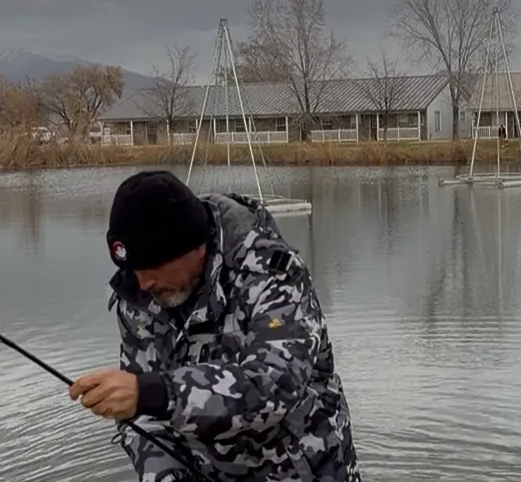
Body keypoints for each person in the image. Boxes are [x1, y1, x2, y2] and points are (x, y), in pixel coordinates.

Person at [68, 170, 359, 481]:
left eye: (152, 265)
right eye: (134, 268)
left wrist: (153, 392)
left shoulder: (272, 274)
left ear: (194, 247)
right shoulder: (138, 296)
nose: (144, 281)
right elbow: (142, 418)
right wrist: (163, 474)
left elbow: (273, 387)